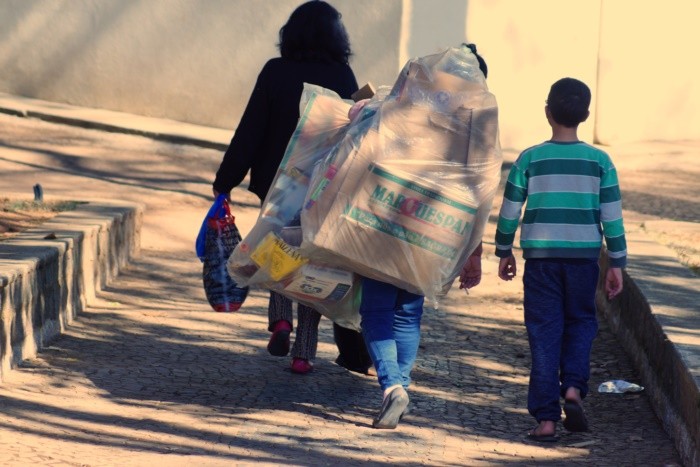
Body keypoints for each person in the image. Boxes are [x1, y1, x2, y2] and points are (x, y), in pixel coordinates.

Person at [212, 0, 372, 375]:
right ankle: (303, 354)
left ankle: (280, 320)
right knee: (311, 259)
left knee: (276, 245)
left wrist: (226, 180)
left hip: (276, 182)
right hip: (321, 185)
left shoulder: (275, 71)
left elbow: (250, 128)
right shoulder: (342, 75)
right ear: (337, 37)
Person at [360, 44, 489, 430]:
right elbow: (478, 195)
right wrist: (473, 251)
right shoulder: (479, 126)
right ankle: (400, 385)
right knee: (407, 311)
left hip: (386, 220)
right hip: (434, 231)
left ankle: (393, 388)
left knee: (377, 311)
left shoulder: (407, 105)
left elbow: (365, 137)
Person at [494, 77, 626, 442]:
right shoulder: (600, 161)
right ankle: (573, 389)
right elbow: (612, 217)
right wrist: (616, 261)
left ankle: (547, 420)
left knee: (543, 331)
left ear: (548, 112)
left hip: (541, 262)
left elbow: (509, 211)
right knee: (582, 323)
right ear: (585, 114)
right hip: (583, 260)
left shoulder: (530, 158)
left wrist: (503, 249)